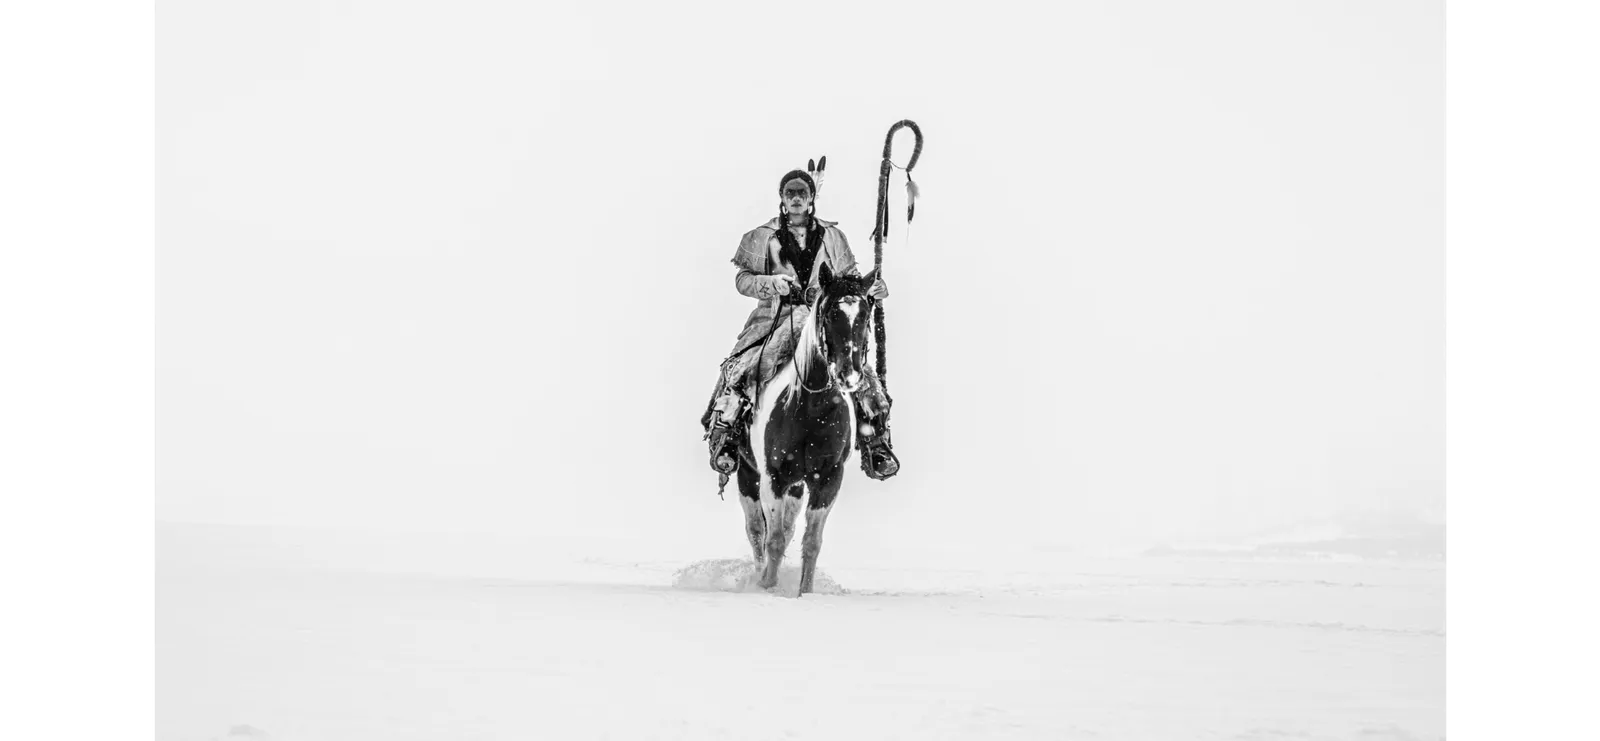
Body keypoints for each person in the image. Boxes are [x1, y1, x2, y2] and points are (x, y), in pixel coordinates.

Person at [700, 168, 900, 481]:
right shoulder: (762, 236)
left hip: (823, 316)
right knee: (748, 365)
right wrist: (770, 283)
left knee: (857, 367)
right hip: (775, 316)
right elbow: (742, 280)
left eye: (801, 193)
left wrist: (872, 290)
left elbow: (849, 281)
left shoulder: (833, 236)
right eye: (790, 193)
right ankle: (727, 432)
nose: (796, 198)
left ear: (810, 199)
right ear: (781, 198)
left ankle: (876, 441)